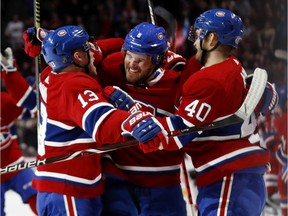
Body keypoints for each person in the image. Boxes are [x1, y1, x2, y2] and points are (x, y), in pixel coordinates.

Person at [125, 9, 278, 215]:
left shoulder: (211, 81)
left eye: (198, 35)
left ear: (212, 38)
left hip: (229, 178)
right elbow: (188, 78)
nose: (194, 41)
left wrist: (137, 119)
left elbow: (178, 134)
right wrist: (161, 56)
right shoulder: (227, 66)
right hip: (234, 177)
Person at [29, 25, 164, 216]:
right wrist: (134, 120)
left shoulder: (50, 75)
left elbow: (106, 47)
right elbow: (102, 122)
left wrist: (46, 37)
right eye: (87, 49)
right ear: (78, 57)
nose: (93, 52)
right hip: (69, 188)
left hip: (59, 186)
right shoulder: (73, 84)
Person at [96, 22, 189, 215]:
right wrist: (50, 46)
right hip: (117, 181)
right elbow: (80, 58)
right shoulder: (111, 67)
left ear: (157, 61)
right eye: (128, 55)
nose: (131, 64)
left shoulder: (177, 84)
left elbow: (191, 125)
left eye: (140, 59)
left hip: (163, 186)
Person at [0, 47, 38, 215]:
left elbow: (29, 104)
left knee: (38, 196)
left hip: (15, 164)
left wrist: (32, 89)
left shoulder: (3, 102)